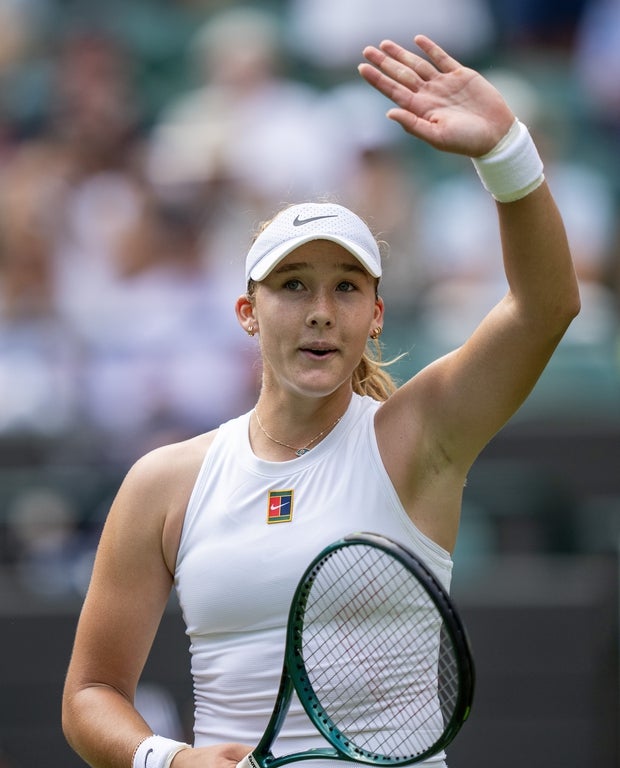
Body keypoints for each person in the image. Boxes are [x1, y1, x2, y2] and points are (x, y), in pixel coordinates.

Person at [61, 35, 580, 768]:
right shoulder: (163, 484)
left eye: (345, 287)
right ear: (248, 312)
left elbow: (545, 308)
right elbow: (90, 693)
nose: (319, 311)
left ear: (375, 313)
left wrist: (507, 155)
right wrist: (169, 761)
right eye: (293, 285)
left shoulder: (419, 435)